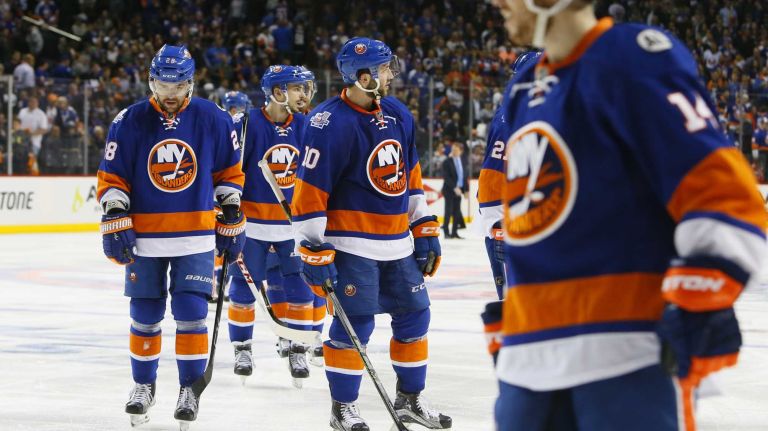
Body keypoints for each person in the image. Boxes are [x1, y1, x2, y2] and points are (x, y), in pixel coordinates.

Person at [486, 1, 767, 430]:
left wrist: (696, 304)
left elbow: (724, 194)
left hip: (626, 353)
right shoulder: (525, 83)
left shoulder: (631, 56)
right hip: (528, 361)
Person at [292, 37, 452, 431]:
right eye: (383, 69)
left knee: (415, 316)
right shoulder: (327, 123)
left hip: (397, 243)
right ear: (363, 76)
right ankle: (343, 408)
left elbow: (409, 173)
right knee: (356, 324)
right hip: (352, 245)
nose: (391, 74)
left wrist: (422, 223)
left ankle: (409, 400)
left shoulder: (397, 113)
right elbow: (310, 192)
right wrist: (312, 245)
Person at [96, 44, 246, 428]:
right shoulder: (129, 120)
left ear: (190, 83)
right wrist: (115, 212)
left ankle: (188, 389)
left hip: (195, 236)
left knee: (192, 313)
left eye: (178, 85)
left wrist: (231, 208)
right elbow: (113, 177)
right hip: (145, 238)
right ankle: (143, 385)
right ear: (152, 81)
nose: (170, 93)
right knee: (144, 314)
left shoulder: (214, 118)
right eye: (163, 85)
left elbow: (229, 173)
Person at [225, 65, 318, 386]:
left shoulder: (307, 125)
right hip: (252, 226)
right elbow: (228, 169)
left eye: (305, 88)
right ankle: (242, 348)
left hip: (293, 227)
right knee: (244, 287)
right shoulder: (246, 123)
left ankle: (297, 347)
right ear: (277, 92)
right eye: (297, 88)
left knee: (300, 287)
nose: (304, 94)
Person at [477, 49, 541, 299]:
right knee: (514, 298)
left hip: (512, 203)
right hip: (506, 205)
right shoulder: (515, 112)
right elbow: (497, 168)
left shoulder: (517, 106)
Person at [441, 142, 468, 239]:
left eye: (456, 150)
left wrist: (466, 190)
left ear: (461, 151)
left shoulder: (463, 161)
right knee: (448, 211)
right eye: (453, 149)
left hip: (459, 190)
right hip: (449, 190)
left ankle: (454, 233)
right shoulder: (447, 162)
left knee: (456, 212)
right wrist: (454, 187)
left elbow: (464, 176)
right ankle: (446, 232)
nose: (454, 151)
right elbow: (446, 177)